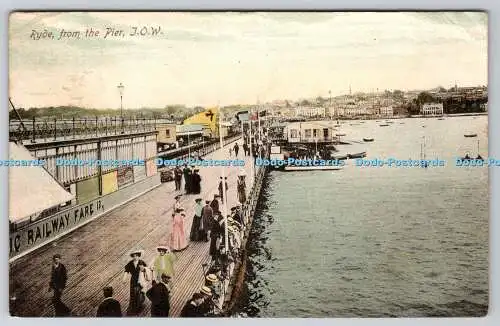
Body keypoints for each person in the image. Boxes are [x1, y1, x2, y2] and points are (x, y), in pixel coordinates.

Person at [122, 250, 147, 316]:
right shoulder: (130, 263)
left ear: (139, 256)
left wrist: (143, 269)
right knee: (133, 293)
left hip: (140, 280)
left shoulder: (141, 262)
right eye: (134, 256)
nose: (135, 257)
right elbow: (126, 270)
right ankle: (133, 306)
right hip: (133, 280)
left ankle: (139, 306)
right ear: (132, 257)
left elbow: (146, 270)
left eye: (136, 256)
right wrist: (124, 278)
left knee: (139, 292)